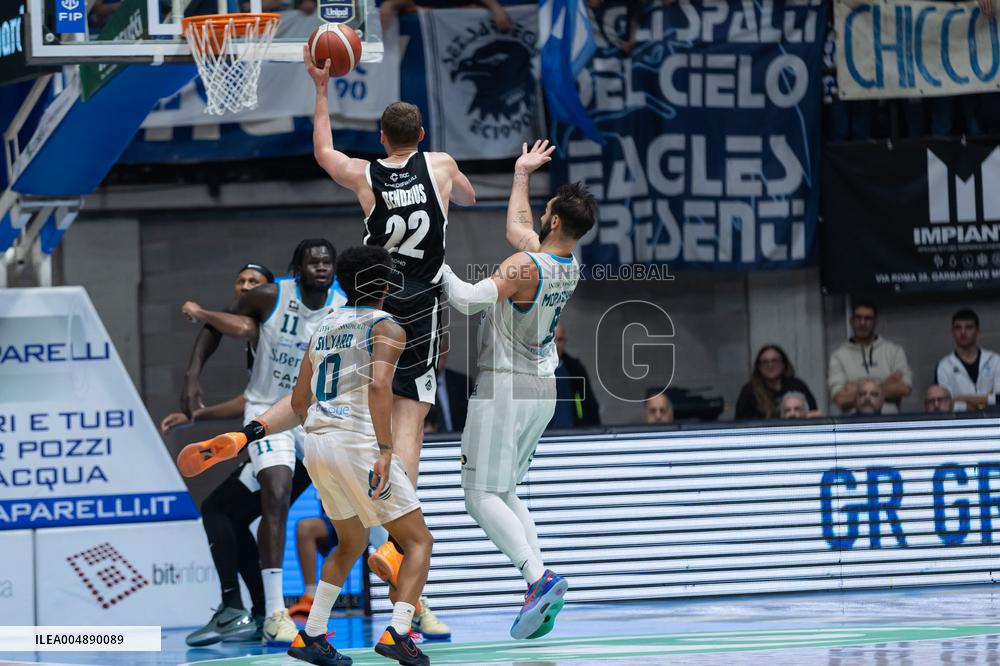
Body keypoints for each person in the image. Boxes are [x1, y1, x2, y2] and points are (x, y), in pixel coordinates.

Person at [187, 246, 435, 665]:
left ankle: (312, 635)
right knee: (417, 542)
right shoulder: (388, 328)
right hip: (358, 444)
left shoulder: (324, 327)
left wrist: (253, 432)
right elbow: (378, 388)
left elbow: (299, 402)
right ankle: (400, 630)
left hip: (319, 445)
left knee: (351, 541)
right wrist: (387, 449)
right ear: (385, 283)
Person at [307, 48, 475, 639]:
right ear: (422, 135)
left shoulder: (366, 173)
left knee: (359, 410)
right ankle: (396, 544)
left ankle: (382, 544)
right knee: (408, 428)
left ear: (381, 138)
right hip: (422, 308)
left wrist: (323, 90)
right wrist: (450, 189)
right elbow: (471, 197)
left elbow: (325, 153)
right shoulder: (445, 165)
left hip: (371, 304)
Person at [442, 140, 596, 640]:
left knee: (478, 493)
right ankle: (538, 580)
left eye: (545, 210)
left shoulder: (523, 267)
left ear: (552, 222)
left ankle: (537, 577)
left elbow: (466, 301)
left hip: (505, 386)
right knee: (505, 489)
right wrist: (521, 174)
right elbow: (516, 229)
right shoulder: (567, 264)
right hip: (542, 389)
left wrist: (431, 266)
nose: (539, 215)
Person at [178, 239, 345, 645]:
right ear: (297, 267)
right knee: (273, 491)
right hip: (268, 418)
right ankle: (272, 613)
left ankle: (413, 596)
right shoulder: (269, 300)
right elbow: (220, 327)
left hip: (314, 419)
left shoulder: (342, 309)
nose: (321, 267)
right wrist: (191, 377)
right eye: (313, 261)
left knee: (226, 511)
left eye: (327, 262)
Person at [828, 301, 912, 414]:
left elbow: (904, 388)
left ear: (876, 322)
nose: (862, 323)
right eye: (858, 318)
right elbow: (840, 398)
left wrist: (855, 388)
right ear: (851, 322)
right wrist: (886, 385)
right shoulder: (838, 356)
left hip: (890, 422)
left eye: (868, 318)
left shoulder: (894, 351)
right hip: (851, 425)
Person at [934, 309, 1000, 412]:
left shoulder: (995, 360)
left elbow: (999, 399)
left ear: (977, 331)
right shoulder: (944, 366)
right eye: (958, 328)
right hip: (959, 423)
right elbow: (945, 405)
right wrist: (985, 400)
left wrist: (961, 398)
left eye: (968, 327)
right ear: (952, 332)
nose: (963, 332)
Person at [735, 345, 818, 420]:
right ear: (759, 367)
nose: (770, 365)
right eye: (765, 362)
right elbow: (741, 421)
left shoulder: (797, 386)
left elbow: (813, 413)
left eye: (774, 360)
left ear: (783, 364)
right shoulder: (749, 391)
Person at [547, 323, 601, 429]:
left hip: (574, 435)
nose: (555, 345)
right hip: (545, 438)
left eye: (559, 340)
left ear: (565, 342)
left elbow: (590, 406)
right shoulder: (532, 372)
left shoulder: (575, 369)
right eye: (551, 339)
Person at [431, 332, 472, 433]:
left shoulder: (463, 383)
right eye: (432, 353)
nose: (436, 357)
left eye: (440, 351)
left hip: (456, 443)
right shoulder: (412, 385)